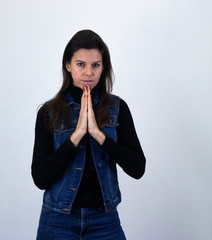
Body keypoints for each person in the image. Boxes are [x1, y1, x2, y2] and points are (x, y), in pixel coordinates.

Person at [31, 29, 146, 240]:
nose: (88, 73)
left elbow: (138, 168)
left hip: (105, 219)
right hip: (57, 219)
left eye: (96, 65)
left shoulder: (118, 108)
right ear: (68, 65)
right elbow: (40, 178)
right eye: (80, 64)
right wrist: (76, 135)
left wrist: (97, 133)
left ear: (104, 67)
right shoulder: (49, 112)